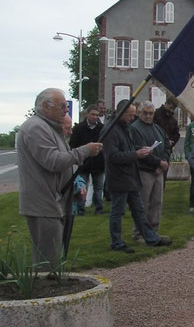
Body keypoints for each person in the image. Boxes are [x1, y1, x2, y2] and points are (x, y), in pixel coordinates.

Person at [17, 89, 101, 269]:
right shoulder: (36, 128)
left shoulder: (49, 128)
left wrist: (75, 188)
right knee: (47, 262)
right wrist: (84, 151)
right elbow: (53, 161)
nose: (66, 110)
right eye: (62, 106)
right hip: (43, 203)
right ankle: (45, 293)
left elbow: (63, 161)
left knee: (53, 256)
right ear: (46, 106)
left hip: (52, 200)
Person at [103, 100, 172, 253]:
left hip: (130, 176)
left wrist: (160, 161)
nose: (132, 118)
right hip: (119, 177)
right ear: (120, 113)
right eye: (130, 115)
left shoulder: (126, 128)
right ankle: (117, 242)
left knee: (139, 209)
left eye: (133, 115)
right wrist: (137, 154)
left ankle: (151, 237)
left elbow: (165, 145)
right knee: (118, 210)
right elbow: (113, 156)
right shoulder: (111, 130)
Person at [130, 100, 171, 242]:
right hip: (144, 171)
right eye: (145, 113)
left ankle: (153, 231)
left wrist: (162, 163)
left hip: (158, 171)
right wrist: (159, 162)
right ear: (139, 113)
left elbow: (166, 145)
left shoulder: (158, 129)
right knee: (143, 203)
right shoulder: (135, 129)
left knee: (156, 202)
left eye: (151, 113)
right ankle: (139, 233)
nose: (148, 116)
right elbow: (139, 149)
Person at [69, 103, 105, 215]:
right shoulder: (79, 128)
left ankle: (99, 208)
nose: (95, 117)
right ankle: (81, 209)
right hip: (84, 163)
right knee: (81, 186)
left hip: (99, 163)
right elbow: (73, 145)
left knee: (99, 187)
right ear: (87, 114)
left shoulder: (102, 128)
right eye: (93, 114)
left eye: (97, 115)